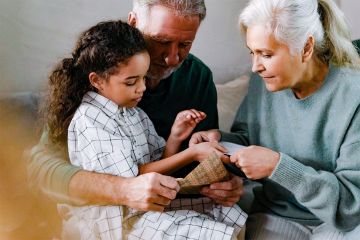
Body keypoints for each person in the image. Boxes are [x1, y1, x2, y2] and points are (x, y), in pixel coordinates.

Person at [28, 0, 244, 225]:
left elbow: (200, 161)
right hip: (109, 215)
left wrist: (226, 182)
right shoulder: (95, 76)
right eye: (161, 41)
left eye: (185, 44)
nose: (172, 58)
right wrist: (124, 189)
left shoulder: (197, 77)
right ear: (133, 22)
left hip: (171, 206)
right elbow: (41, 170)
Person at [190, 0, 360, 239]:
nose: (255, 67)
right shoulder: (264, 83)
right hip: (278, 213)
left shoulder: (353, 96)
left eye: (266, 54)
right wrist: (220, 141)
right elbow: (252, 139)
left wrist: (278, 166)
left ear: (306, 47)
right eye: (252, 52)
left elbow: (351, 204)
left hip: (339, 222)